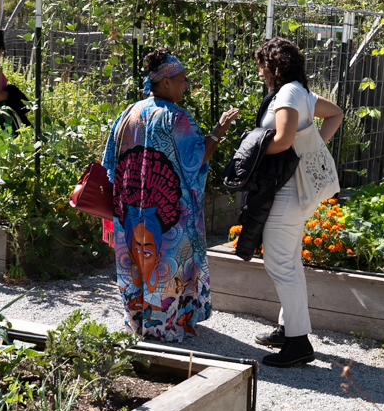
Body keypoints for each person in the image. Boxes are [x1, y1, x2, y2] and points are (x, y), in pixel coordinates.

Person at [102, 48, 240, 343]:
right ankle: (166, 326)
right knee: (168, 259)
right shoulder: (177, 118)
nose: (185, 85)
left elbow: (110, 162)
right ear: (165, 83)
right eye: (182, 80)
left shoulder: (128, 113)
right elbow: (196, 159)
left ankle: (137, 321)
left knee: (136, 257)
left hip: (129, 209)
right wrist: (219, 130)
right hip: (170, 215)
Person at [251, 37, 344, 368]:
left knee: (280, 265)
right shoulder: (299, 91)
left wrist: (250, 153)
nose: (260, 71)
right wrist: (313, 144)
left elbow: (283, 139)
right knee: (289, 262)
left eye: (262, 65)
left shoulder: (288, 92)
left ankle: (298, 344)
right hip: (293, 189)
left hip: (285, 191)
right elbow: (335, 113)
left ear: (273, 65)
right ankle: (287, 328)